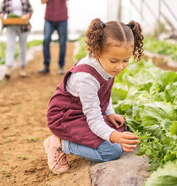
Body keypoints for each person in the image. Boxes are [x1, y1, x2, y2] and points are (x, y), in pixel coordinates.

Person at [43, 18, 144, 174]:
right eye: (114, 61)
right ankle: (60, 143)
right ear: (97, 52)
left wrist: (110, 113)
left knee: (123, 131)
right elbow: (94, 120)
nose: (120, 66)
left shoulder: (108, 65)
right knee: (112, 151)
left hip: (82, 113)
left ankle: (73, 141)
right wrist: (113, 137)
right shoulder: (86, 78)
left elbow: (104, 94)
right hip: (65, 118)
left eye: (126, 60)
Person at [38, 0, 71, 75]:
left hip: (62, 18)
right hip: (49, 19)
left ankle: (61, 66)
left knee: (62, 43)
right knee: (46, 40)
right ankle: (46, 65)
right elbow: (43, 0)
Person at [0, 0, 33, 79]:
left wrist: (27, 15)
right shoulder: (6, 0)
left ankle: (22, 68)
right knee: (10, 46)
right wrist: (2, 15)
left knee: (23, 47)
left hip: (23, 26)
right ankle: (8, 69)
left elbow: (30, 10)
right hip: (10, 25)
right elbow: (1, 11)